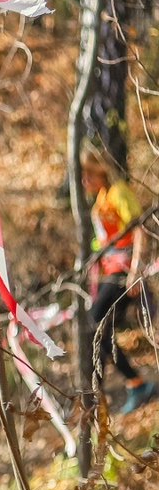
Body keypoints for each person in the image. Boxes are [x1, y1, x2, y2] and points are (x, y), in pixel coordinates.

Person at [80, 152, 156, 414]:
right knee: (98, 332)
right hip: (109, 274)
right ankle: (96, 398)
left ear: (100, 169)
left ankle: (134, 384)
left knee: (95, 325)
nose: (85, 181)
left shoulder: (119, 192)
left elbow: (139, 229)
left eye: (88, 174)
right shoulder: (101, 198)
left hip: (123, 273)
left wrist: (135, 269)